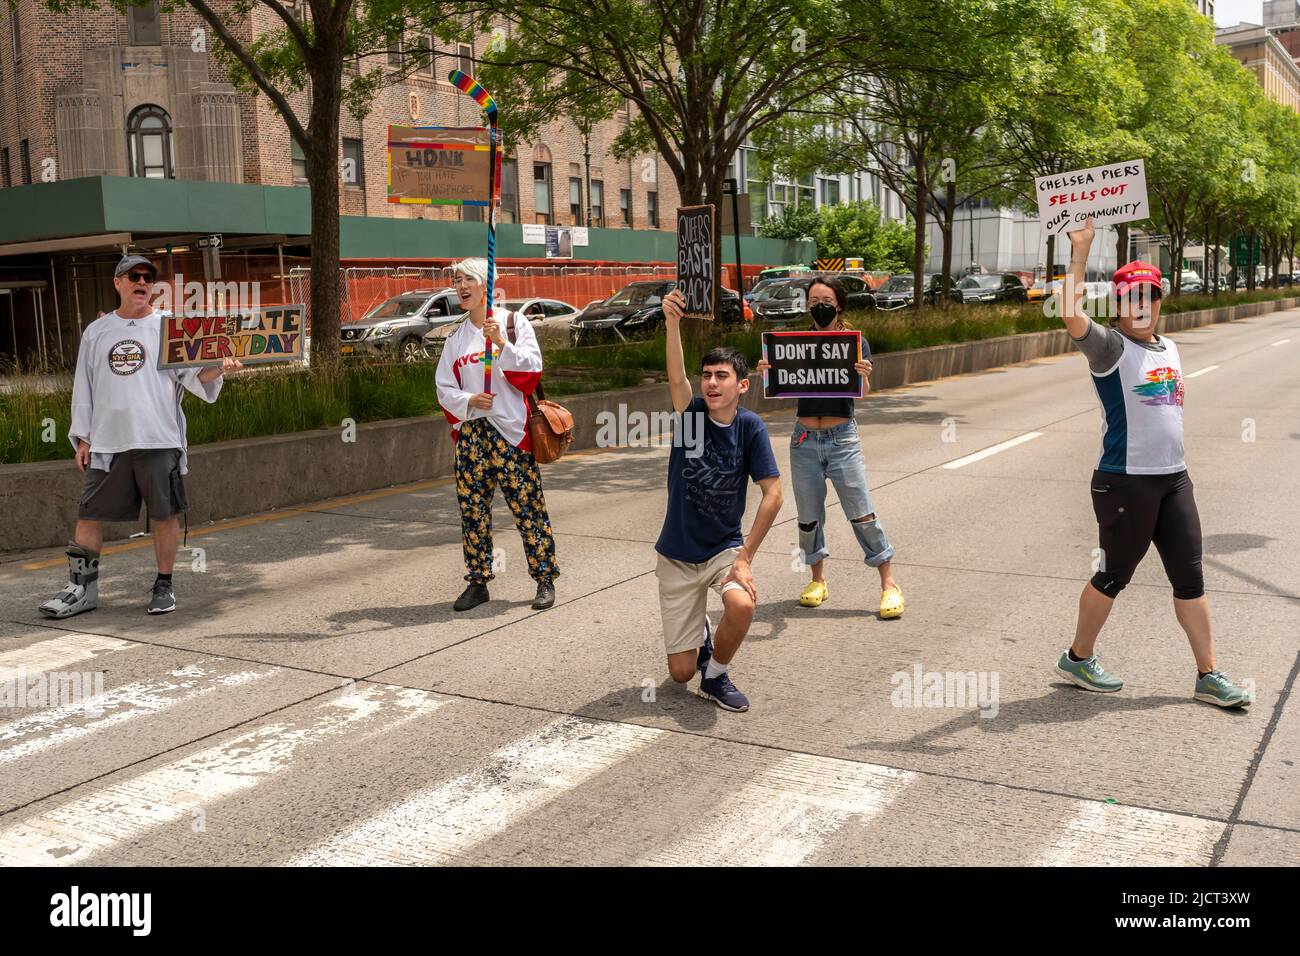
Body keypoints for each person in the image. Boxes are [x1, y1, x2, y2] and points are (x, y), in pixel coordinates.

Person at [1053, 216, 1249, 708]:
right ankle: (1078, 657)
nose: (1141, 305)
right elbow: (1070, 314)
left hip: (1173, 481)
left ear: (1161, 301)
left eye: (1150, 296)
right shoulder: (1110, 348)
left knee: (1191, 575)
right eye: (1130, 297)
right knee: (1114, 575)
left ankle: (1208, 674)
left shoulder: (1171, 347)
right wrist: (1081, 250)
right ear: (1118, 305)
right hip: (1124, 483)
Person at [39, 255, 240, 618]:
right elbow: (84, 389)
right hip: (106, 442)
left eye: (148, 277)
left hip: (158, 439)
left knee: (163, 515)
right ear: (118, 283)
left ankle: (164, 585)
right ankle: (81, 589)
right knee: (88, 515)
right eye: (134, 276)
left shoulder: (169, 328)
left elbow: (195, 378)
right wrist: (83, 438)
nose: (142, 282)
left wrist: (219, 368)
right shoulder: (96, 332)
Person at [655, 287, 783, 712]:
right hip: (676, 555)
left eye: (721, 375)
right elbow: (676, 378)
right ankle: (700, 646)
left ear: (742, 385)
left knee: (743, 604)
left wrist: (744, 556)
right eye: (707, 374)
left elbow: (773, 494)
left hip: (723, 549)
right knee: (678, 674)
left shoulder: (750, 428)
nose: (711, 382)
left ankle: (716, 676)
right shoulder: (691, 418)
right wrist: (672, 323)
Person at [754, 276, 903, 618]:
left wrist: (864, 373)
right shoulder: (792, 345)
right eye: (813, 301)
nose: (819, 306)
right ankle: (817, 580)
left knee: (861, 512)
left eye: (825, 300)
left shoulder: (855, 343)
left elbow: (861, 391)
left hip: (841, 440)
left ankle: (889, 583)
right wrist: (767, 371)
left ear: (838, 304)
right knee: (808, 518)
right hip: (804, 440)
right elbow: (778, 386)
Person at [435, 257, 558, 612]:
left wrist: (501, 343)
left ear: (484, 283)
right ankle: (478, 581)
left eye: (467, 279)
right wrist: (470, 399)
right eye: (457, 281)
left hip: (511, 433)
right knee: (473, 510)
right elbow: (443, 387)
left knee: (528, 507)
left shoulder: (512, 322)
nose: (461, 287)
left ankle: (544, 578)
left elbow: (532, 371)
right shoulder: (456, 338)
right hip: (473, 434)